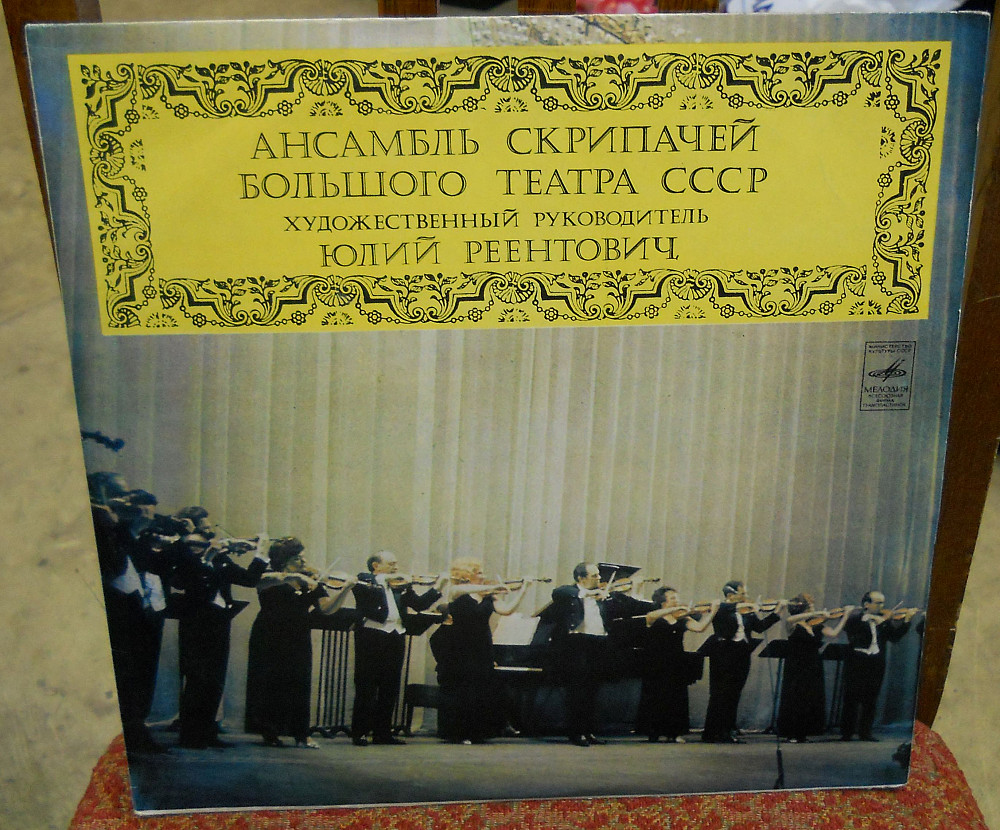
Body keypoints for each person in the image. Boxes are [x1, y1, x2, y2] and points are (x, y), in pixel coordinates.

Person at [245, 537, 355, 748]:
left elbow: (327, 609)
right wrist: (295, 577)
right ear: (284, 560)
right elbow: (261, 582)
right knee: (270, 683)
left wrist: (345, 589)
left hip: (298, 634)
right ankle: (270, 732)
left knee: (299, 682)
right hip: (269, 633)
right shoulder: (270, 576)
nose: (304, 561)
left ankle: (301, 734)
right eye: (298, 558)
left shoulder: (311, 581)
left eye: (303, 557)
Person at [172, 530, 269, 749]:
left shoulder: (222, 560)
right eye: (195, 544)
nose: (199, 546)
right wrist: (206, 558)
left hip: (219, 621)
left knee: (215, 679)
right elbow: (179, 582)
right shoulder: (187, 560)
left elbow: (249, 579)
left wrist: (261, 554)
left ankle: (207, 731)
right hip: (195, 623)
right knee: (197, 678)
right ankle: (190, 736)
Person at [350, 551, 446, 746]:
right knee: (366, 685)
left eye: (396, 564)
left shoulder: (400, 585)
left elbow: (419, 605)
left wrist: (439, 585)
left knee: (390, 686)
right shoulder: (365, 580)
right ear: (376, 566)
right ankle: (360, 732)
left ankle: (382, 733)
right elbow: (371, 585)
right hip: (371, 636)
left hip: (395, 636)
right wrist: (395, 578)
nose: (396, 567)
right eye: (391, 564)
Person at [546, 562, 647, 746]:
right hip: (577, 644)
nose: (600, 578)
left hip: (598, 644)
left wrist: (634, 589)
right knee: (578, 691)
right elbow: (558, 592)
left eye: (599, 575)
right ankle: (576, 733)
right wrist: (587, 594)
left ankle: (588, 731)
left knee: (592, 690)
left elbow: (631, 607)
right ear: (581, 578)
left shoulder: (605, 597)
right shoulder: (571, 593)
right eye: (595, 575)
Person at [432, 557, 528, 744]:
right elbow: (462, 590)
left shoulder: (488, 595)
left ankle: (477, 732)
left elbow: (506, 610)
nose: (483, 576)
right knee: (462, 689)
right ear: (467, 575)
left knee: (481, 688)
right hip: (460, 645)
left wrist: (523, 590)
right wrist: (491, 588)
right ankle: (459, 733)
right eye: (479, 573)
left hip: (482, 645)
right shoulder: (457, 591)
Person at [700, 580, 785, 744]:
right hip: (723, 653)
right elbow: (726, 608)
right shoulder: (721, 608)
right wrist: (752, 606)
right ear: (730, 594)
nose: (746, 596)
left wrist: (777, 612)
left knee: (734, 693)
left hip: (742, 653)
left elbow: (759, 627)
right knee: (720, 693)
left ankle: (728, 730)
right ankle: (712, 732)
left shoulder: (747, 611)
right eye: (742, 593)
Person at [639, 587, 719, 743]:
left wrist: (713, 612)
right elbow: (650, 616)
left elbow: (700, 628)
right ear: (663, 602)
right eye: (672, 598)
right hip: (656, 662)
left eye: (676, 598)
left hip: (676, 660)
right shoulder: (655, 616)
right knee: (656, 696)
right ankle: (654, 732)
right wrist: (675, 609)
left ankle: (674, 733)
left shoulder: (683, 618)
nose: (677, 600)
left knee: (676, 697)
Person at [840, 590, 917, 742]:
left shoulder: (883, 621)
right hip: (857, 661)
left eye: (882, 603)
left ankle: (865, 733)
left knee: (871, 699)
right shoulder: (855, 619)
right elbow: (851, 633)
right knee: (851, 698)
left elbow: (894, 637)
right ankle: (847, 733)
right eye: (878, 603)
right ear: (866, 604)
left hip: (875, 662)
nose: (881, 606)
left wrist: (907, 620)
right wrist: (870, 620)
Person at [775, 594, 853, 743]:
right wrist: (818, 613)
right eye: (810, 606)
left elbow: (833, 634)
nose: (813, 608)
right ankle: (791, 733)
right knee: (795, 697)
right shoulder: (793, 624)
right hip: (796, 665)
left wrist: (845, 616)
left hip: (813, 664)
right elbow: (790, 619)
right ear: (802, 608)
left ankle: (802, 733)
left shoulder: (817, 625)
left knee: (809, 697)